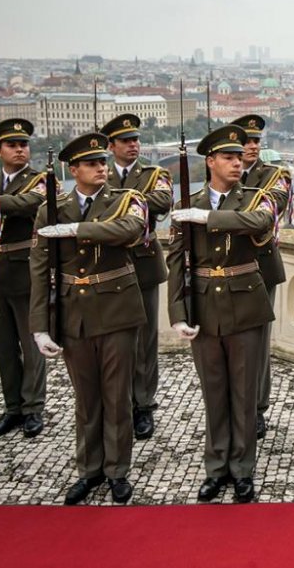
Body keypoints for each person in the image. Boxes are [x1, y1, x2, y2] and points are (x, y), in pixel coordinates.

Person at [29, 132, 149, 505]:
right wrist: (39, 325)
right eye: (92, 164)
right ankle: (89, 469)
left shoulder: (127, 200)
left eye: (102, 162)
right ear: (73, 169)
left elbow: (130, 230)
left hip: (116, 310)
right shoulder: (52, 207)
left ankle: (117, 471)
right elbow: (39, 267)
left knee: (116, 398)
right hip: (74, 313)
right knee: (86, 399)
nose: (101, 168)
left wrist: (78, 229)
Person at [168, 125, 277, 504]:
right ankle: (216, 468)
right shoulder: (191, 201)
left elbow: (261, 223)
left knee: (244, 395)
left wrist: (207, 219)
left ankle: (243, 469)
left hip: (245, 303)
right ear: (210, 161)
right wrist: (178, 311)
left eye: (239, 156)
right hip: (204, 305)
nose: (237, 162)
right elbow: (176, 259)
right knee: (214, 393)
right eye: (228, 157)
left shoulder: (255, 197)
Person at [101, 112, 172, 441]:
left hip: (142, 264)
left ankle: (143, 403)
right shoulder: (99, 175)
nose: (134, 146)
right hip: (109, 267)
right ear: (111, 145)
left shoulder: (153, 172)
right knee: (114, 340)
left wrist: (120, 201)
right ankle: (117, 402)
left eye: (136, 140)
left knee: (145, 341)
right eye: (126, 141)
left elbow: (162, 201)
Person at [0, 118, 50, 440]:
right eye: (12, 145)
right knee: (5, 347)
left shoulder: (40, 181)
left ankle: (33, 407)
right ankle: (12, 408)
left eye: (23, 145)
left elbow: (27, 204)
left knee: (31, 344)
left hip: (25, 271)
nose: (20, 150)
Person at [231, 114, 293, 439]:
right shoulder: (224, 178)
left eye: (256, 141)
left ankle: (256, 407)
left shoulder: (274, 175)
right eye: (246, 141)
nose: (252, 146)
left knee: (257, 342)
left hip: (260, 266)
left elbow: (270, 210)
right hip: (225, 268)